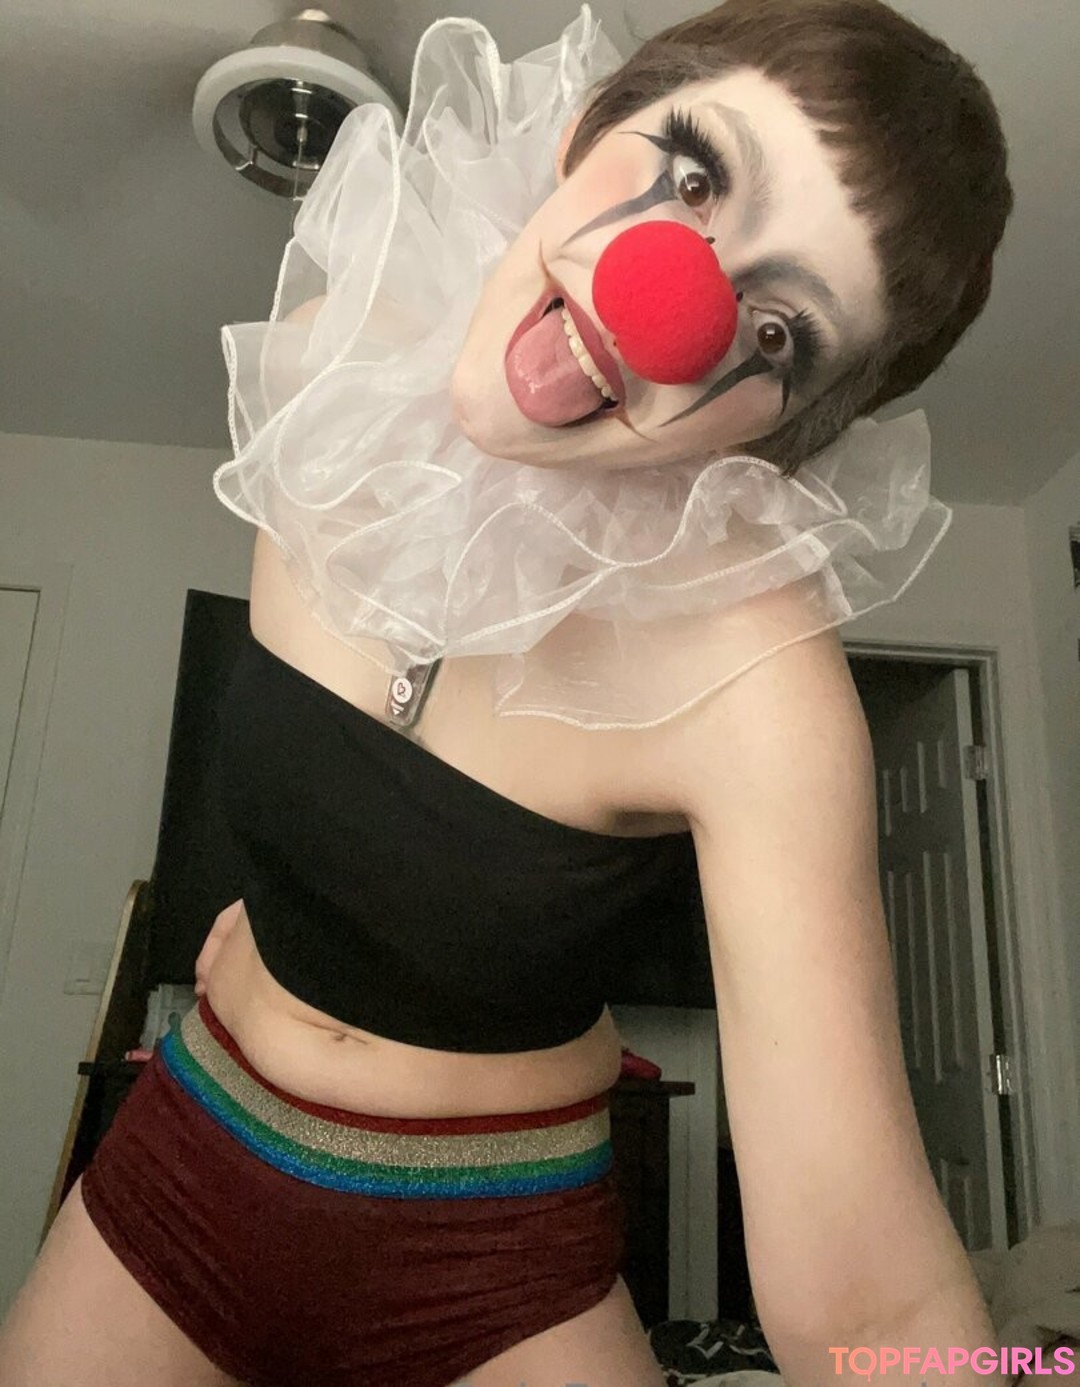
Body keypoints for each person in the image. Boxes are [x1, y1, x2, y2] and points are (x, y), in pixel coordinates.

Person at [0, 2, 1013, 1385]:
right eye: (695, 174)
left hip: (491, 1259)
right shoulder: (322, 373)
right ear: (587, 127)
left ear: (786, 432)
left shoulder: (757, 687)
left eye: (777, 333)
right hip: (189, 1152)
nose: (671, 300)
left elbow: (878, 1313)